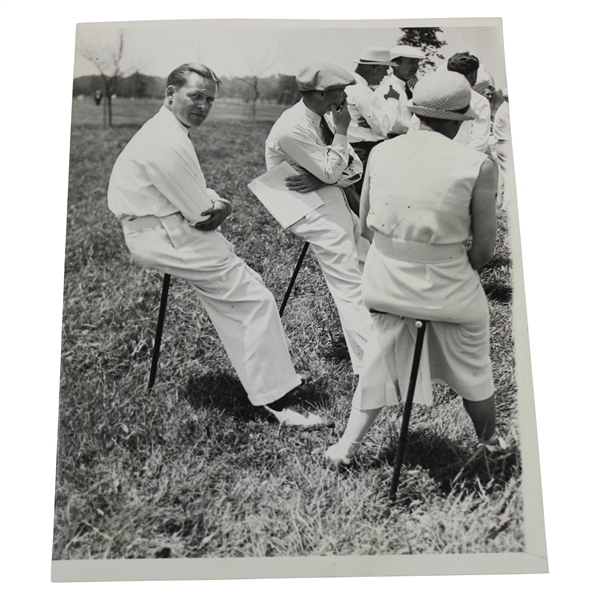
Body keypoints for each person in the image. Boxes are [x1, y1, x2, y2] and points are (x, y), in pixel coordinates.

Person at [107, 63, 332, 428]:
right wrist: (222, 205)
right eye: (195, 96)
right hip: (164, 235)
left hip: (166, 227)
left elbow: (195, 197)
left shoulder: (168, 130)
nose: (203, 106)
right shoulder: (166, 141)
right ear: (170, 94)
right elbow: (201, 212)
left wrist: (212, 203)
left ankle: (272, 380)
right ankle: (275, 400)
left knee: (250, 291)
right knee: (255, 301)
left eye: (210, 99)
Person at [326, 70, 504, 466]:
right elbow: (485, 251)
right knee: (474, 358)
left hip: (384, 282)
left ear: (417, 113)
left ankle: (346, 447)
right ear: (458, 122)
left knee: (380, 351)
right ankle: (490, 444)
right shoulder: (478, 164)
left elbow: (364, 225)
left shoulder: (381, 152)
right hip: (448, 286)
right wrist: (448, 269)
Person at [265, 63, 374, 375]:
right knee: (349, 285)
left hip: (330, 199)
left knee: (368, 267)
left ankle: (382, 342)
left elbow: (353, 168)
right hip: (308, 209)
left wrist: (326, 176)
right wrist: (339, 138)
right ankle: (371, 367)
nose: (344, 96)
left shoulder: (323, 117)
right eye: (339, 91)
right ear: (321, 94)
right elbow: (332, 170)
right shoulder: (293, 128)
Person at [344, 47, 396, 189]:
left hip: (348, 148)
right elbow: (382, 128)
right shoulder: (362, 91)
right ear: (376, 68)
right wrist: (392, 102)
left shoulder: (345, 84)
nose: (386, 74)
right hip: (364, 151)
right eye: (386, 69)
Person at [374, 45, 425, 136]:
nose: (416, 67)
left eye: (417, 62)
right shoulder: (384, 91)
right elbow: (392, 125)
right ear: (396, 64)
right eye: (411, 62)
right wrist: (421, 127)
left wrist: (419, 91)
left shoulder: (417, 89)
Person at [446, 52, 492, 153]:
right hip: (463, 160)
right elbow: (480, 142)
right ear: (473, 75)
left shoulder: (435, 95)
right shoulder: (479, 101)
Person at [493, 96, 515, 212]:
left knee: (503, 176)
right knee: (510, 176)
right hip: (505, 143)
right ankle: (507, 205)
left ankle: (500, 203)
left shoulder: (503, 108)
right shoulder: (506, 110)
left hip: (502, 143)